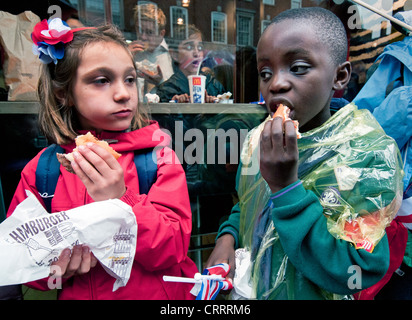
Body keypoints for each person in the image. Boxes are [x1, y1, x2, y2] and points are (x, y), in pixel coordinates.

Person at [206, 7, 403, 300]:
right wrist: (227, 236)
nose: (276, 84)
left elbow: (360, 270)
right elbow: (250, 204)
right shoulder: (259, 140)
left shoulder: (364, 154)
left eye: (297, 67)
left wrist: (286, 187)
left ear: (339, 76)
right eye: (265, 72)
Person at [7, 19, 198, 300]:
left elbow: (173, 248)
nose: (123, 93)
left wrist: (122, 198)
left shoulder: (158, 158)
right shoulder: (43, 170)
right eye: (102, 80)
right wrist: (53, 266)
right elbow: (20, 258)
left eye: (130, 79)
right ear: (64, 93)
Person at [156, 24, 225, 103]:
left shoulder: (214, 86)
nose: (196, 53)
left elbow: (228, 113)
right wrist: (175, 109)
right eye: (189, 47)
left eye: (200, 48)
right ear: (174, 54)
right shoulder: (167, 89)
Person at [128, 3, 174, 101]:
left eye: (149, 32)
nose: (143, 36)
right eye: (140, 30)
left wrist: (160, 83)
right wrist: (124, 56)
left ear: (161, 34)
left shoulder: (173, 56)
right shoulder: (130, 52)